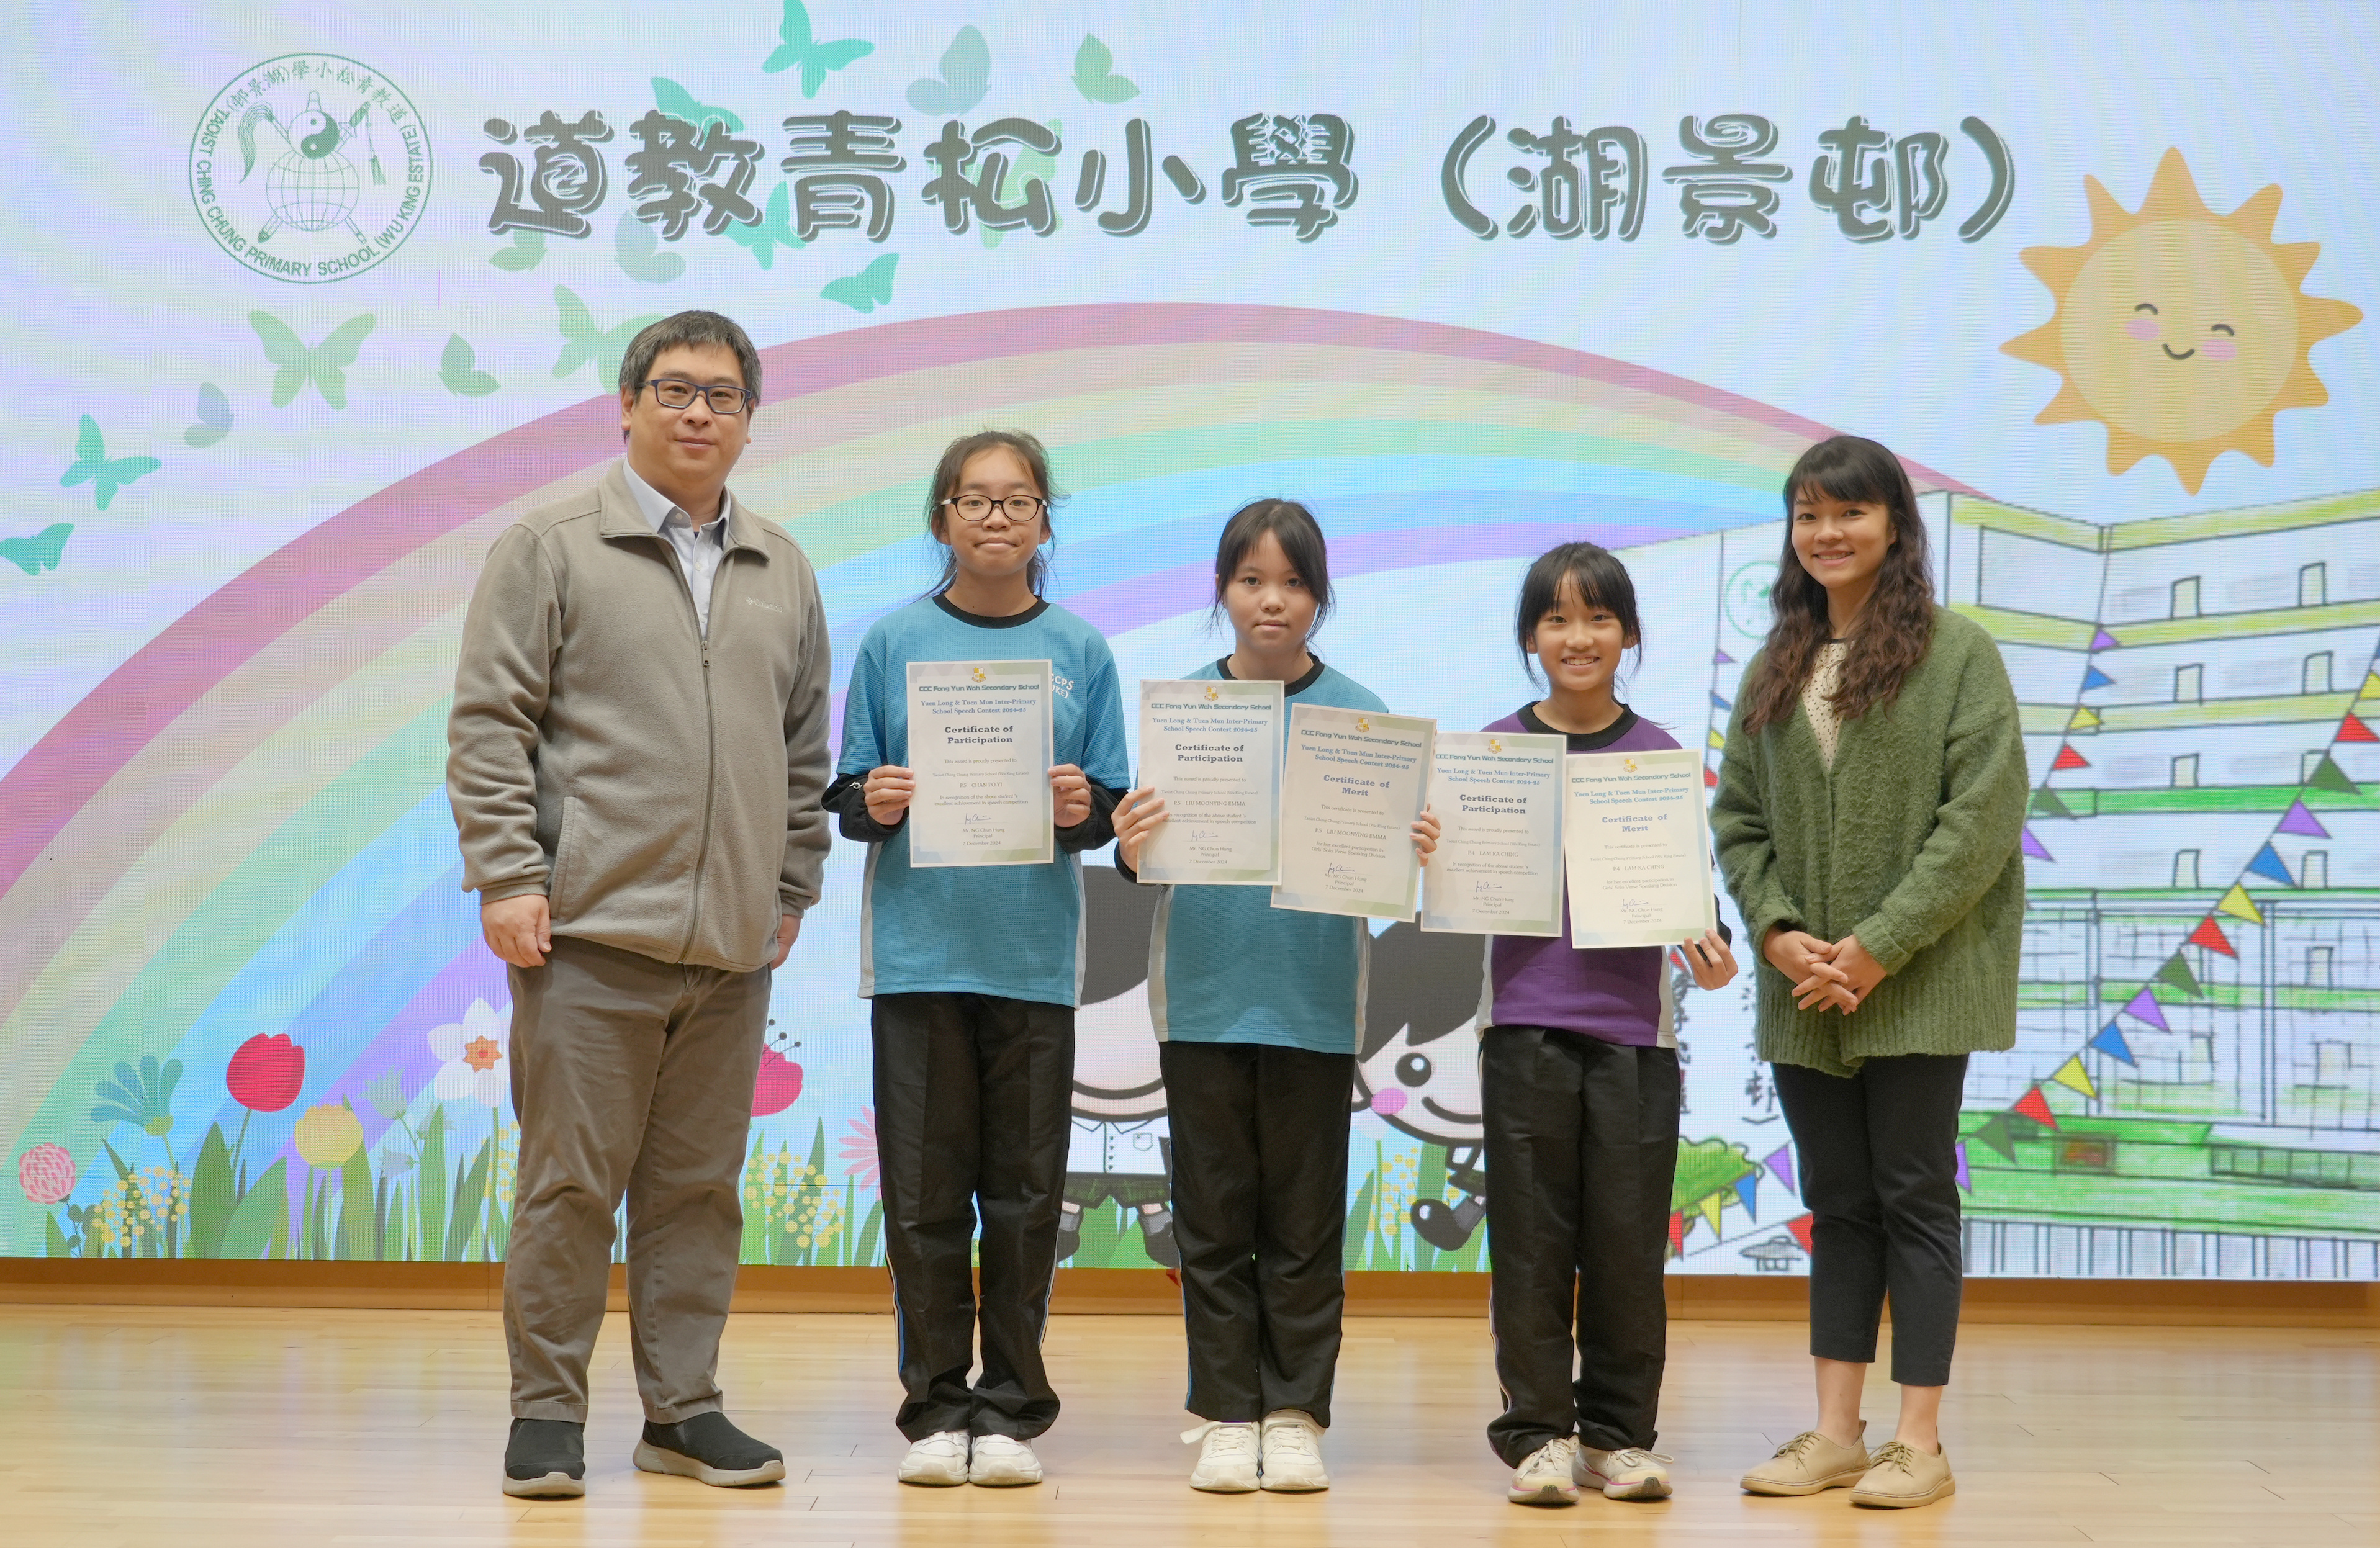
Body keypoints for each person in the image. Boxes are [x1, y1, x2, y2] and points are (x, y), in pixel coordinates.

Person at [447, 310, 832, 1499]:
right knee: (569, 1186)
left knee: (698, 1192)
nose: (698, 412)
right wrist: (509, 874)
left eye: (722, 395)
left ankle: (682, 1410)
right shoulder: (551, 546)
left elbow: (802, 746)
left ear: (750, 420)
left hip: (731, 947)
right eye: (674, 389)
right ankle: (545, 1414)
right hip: (588, 934)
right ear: (625, 406)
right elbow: (490, 723)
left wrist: (791, 882)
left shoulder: (782, 565)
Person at [1713, 436, 2027, 1511]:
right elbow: (1738, 820)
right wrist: (1775, 932)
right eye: (1807, 513)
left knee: (1913, 1196)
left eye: (1848, 511)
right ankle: (1836, 1432)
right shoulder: (1775, 664)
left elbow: (1979, 821)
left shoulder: (1958, 652)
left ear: (1894, 523)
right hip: (1804, 987)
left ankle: (1918, 1440)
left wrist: (1882, 944)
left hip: (1920, 981)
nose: (1826, 532)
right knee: (1837, 1203)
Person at [1111, 500, 1438, 1495]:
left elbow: (1390, 872)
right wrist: (1129, 846)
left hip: (1314, 1001)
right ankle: (1225, 1412)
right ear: (1222, 589)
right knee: (1211, 1220)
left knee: (1303, 1221)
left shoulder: (1363, 716)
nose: (1272, 600)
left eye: (1293, 582)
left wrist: (1417, 847)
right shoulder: (1183, 712)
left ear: (1319, 594)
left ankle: (1293, 1412)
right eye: (1251, 579)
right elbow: (1145, 861)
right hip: (1202, 997)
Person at [824, 430, 1130, 1488]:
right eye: (974, 498)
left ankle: (1008, 1409)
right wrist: (874, 798)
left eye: (1017, 499)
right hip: (917, 958)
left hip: (1033, 960)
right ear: (941, 517)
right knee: (923, 1198)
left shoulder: (1081, 649)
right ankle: (934, 1407)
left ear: (1045, 519)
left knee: (1025, 1195)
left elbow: (1109, 807)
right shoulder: (892, 640)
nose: (996, 516)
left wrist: (1081, 805)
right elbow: (848, 792)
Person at [1477, 542, 1737, 1506]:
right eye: (1555, 618)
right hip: (1521, 1027)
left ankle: (1617, 1437)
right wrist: (1431, 848)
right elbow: (1458, 884)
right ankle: (1538, 1435)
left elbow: (1688, 900)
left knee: (1626, 1248)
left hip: (1634, 1037)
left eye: (1597, 617)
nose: (1576, 636)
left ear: (1627, 634)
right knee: (1531, 1244)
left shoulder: (1657, 756)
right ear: (1529, 637)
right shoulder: (1492, 751)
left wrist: (1711, 950)